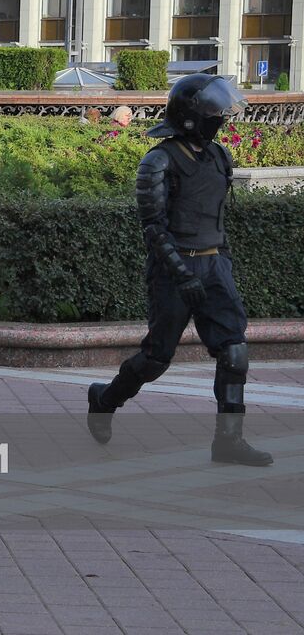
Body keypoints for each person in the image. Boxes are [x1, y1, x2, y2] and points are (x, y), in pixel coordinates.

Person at [87, 75, 271, 466]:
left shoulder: (220, 156)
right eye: (212, 113)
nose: (220, 119)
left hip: (213, 264)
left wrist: (221, 261)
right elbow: (153, 227)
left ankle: (228, 441)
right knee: (157, 358)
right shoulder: (159, 160)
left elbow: (217, 218)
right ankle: (104, 400)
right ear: (191, 117)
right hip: (174, 270)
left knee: (234, 351)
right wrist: (181, 272)